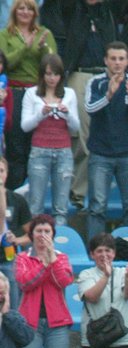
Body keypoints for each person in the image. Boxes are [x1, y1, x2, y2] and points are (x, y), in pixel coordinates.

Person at [84, 41, 128, 242]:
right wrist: (109, 94)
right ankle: (95, 252)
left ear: (127, 61)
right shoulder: (95, 82)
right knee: (97, 207)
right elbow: (90, 108)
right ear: (106, 61)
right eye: (113, 59)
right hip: (100, 154)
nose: (117, 63)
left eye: (121, 59)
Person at [58, 0, 119, 209]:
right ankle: (78, 193)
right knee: (82, 136)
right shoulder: (74, 9)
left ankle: (100, 194)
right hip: (80, 73)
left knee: (107, 134)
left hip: (106, 75)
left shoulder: (107, 12)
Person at [15, 213, 74, 348]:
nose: (42, 235)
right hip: (29, 324)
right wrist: (45, 265)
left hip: (57, 324)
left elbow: (63, 281)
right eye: (38, 231)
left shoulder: (62, 258)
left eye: (46, 231)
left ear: (53, 235)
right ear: (31, 234)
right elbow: (25, 283)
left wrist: (52, 261)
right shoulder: (23, 257)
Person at [0, 0, 56, 189]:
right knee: (15, 145)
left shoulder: (44, 33)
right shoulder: (4, 35)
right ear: (14, 11)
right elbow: (5, 63)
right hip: (13, 93)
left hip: (36, 93)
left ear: (35, 12)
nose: (25, 12)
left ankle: (33, 191)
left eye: (29, 9)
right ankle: (14, 191)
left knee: (36, 144)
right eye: (21, 8)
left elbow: (53, 64)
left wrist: (42, 50)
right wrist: (26, 47)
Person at [21, 53, 79, 224]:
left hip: (63, 151)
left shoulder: (69, 94)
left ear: (61, 75)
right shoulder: (32, 93)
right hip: (39, 150)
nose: (52, 78)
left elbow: (75, 127)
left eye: (55, 74)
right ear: (42, 75)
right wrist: (41, 113)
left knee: (61, 208)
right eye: (48, 74)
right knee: (35, 206)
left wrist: (66, 114)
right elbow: (25, 126)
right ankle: (33, 246)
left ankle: (59, 245)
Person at [0, 155, 30, 310]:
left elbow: (31, 234)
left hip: (8, 259)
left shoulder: (17, 200)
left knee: (12, 307)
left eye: (1, 171)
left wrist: (17, 240)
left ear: (7, 173)